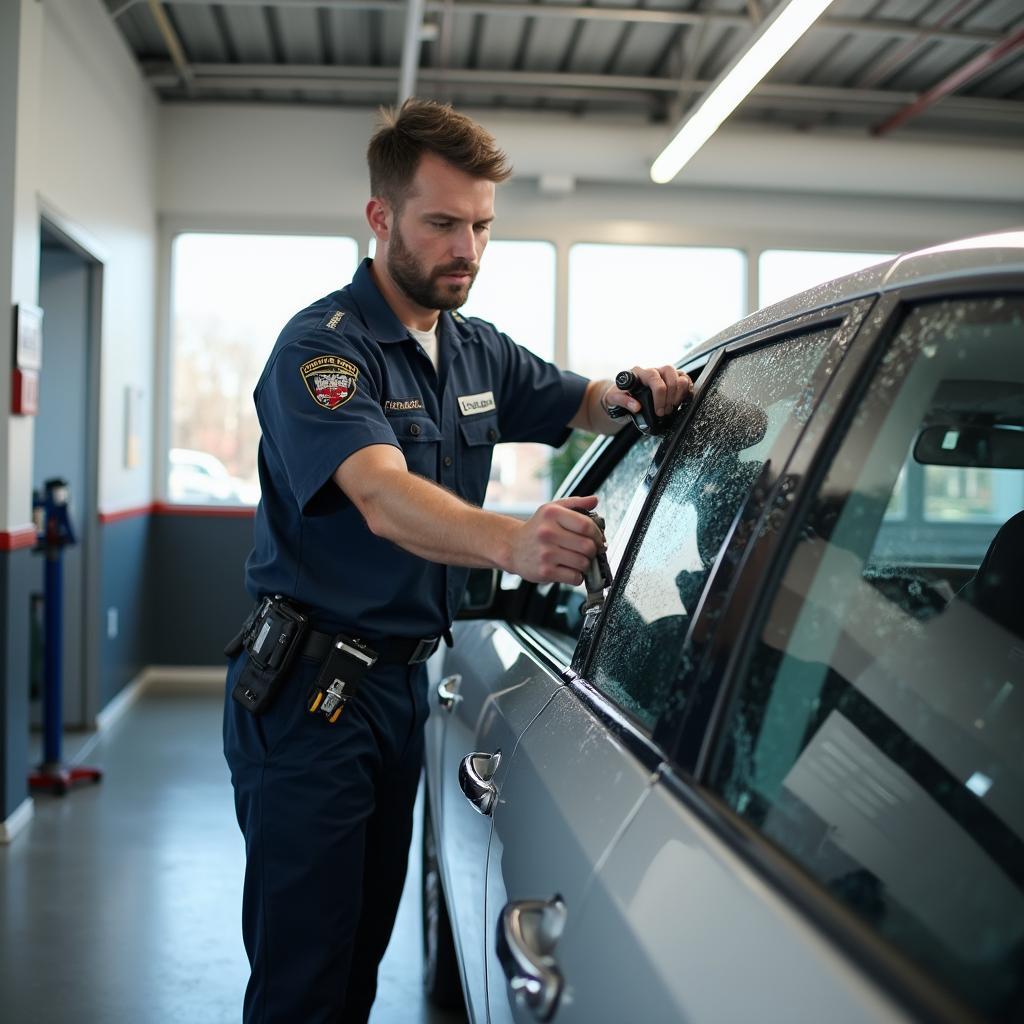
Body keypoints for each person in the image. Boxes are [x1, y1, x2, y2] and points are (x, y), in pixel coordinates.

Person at [222, 98, 691, 1024]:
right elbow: (379, 493)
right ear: (381, 218)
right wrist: (516, 539)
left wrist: (639, 388)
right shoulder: (324, 351)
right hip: (315, 695)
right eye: (442, 223)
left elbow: (585, 399)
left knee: (356, 961)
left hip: (401, 690)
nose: (466, 247)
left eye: (481, 225)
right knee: (305, 981)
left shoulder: (473, 350)